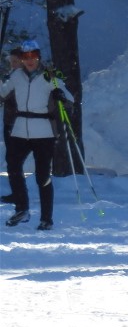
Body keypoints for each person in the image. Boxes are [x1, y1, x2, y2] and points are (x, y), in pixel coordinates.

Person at [0, 40, 75, 230]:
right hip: (19, 129)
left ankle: (46, 218)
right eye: (25, 57)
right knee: (13, 166)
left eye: (33, 56)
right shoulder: (17, 75)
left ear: (38, 56)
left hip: (43, 131)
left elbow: (70, 99)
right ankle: (22, 208)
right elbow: (2, 93)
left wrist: (61, 95)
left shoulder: (49, 75)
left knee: (42, 176)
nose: (30, 60)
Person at [1, 48, 19, 204]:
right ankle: (16, 191)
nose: (12, 64)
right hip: (9, 122)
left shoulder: (20, 79)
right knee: (11, 159)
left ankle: (18, 192)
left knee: (14, 159)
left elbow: (5, 95)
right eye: (11, 61)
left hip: (17, 123)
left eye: (15, 61)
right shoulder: (12, 77)